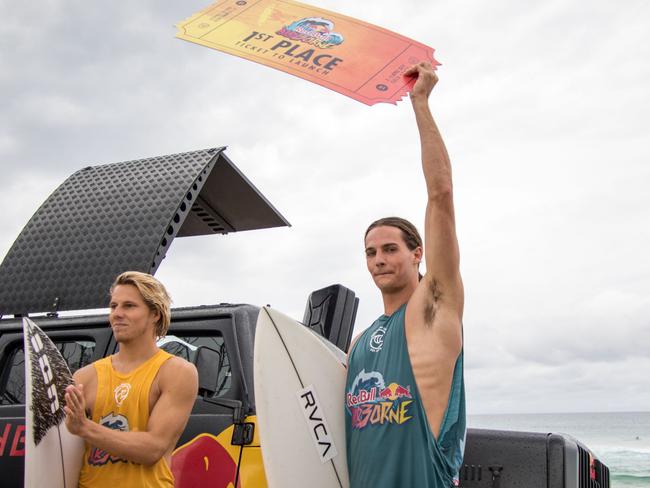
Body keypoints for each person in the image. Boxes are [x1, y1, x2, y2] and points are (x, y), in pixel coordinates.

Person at [345, 62, 466, 487]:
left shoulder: (434, 310)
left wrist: (420, 102)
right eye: (371, 252)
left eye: (390, 249)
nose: (379, 259)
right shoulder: (359, 343)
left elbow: (441, 194)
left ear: (418, 254)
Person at [64, 271, 198, 488]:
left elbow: (152, 448)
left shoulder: (176, 372)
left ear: (155, 313)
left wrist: (85, 428)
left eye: (129, 306)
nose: (117, 313)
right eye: (113, 306)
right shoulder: (84, 377)